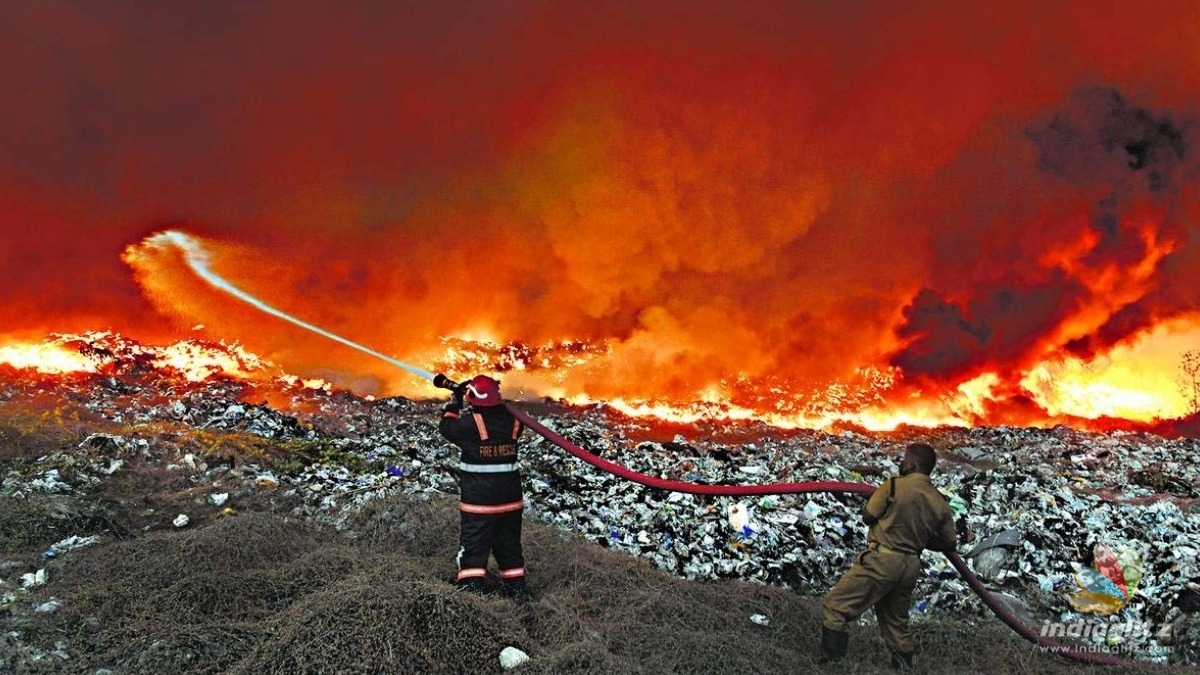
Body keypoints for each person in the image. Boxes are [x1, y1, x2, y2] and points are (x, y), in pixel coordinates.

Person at [819, 442, 972, 670]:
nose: (901, 462)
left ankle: (832, 665)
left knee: (836, 606)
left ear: (912, 463)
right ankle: (904, 668)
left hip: (882, 561)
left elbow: (868, 516)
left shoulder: (893, 486)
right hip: (910, 565)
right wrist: (916, 537)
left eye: (904, 459)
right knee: (896, 623)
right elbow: (949, 542)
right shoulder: (939, 500)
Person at [438, 374, 528, 600]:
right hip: (510, 502)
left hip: (480, 504)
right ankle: (518, 595)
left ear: (473, 399)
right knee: (509, 549)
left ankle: (472, 596)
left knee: (473, 551)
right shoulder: (515, 421)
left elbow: (447, 427)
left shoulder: (470, 424)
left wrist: (455, 401)